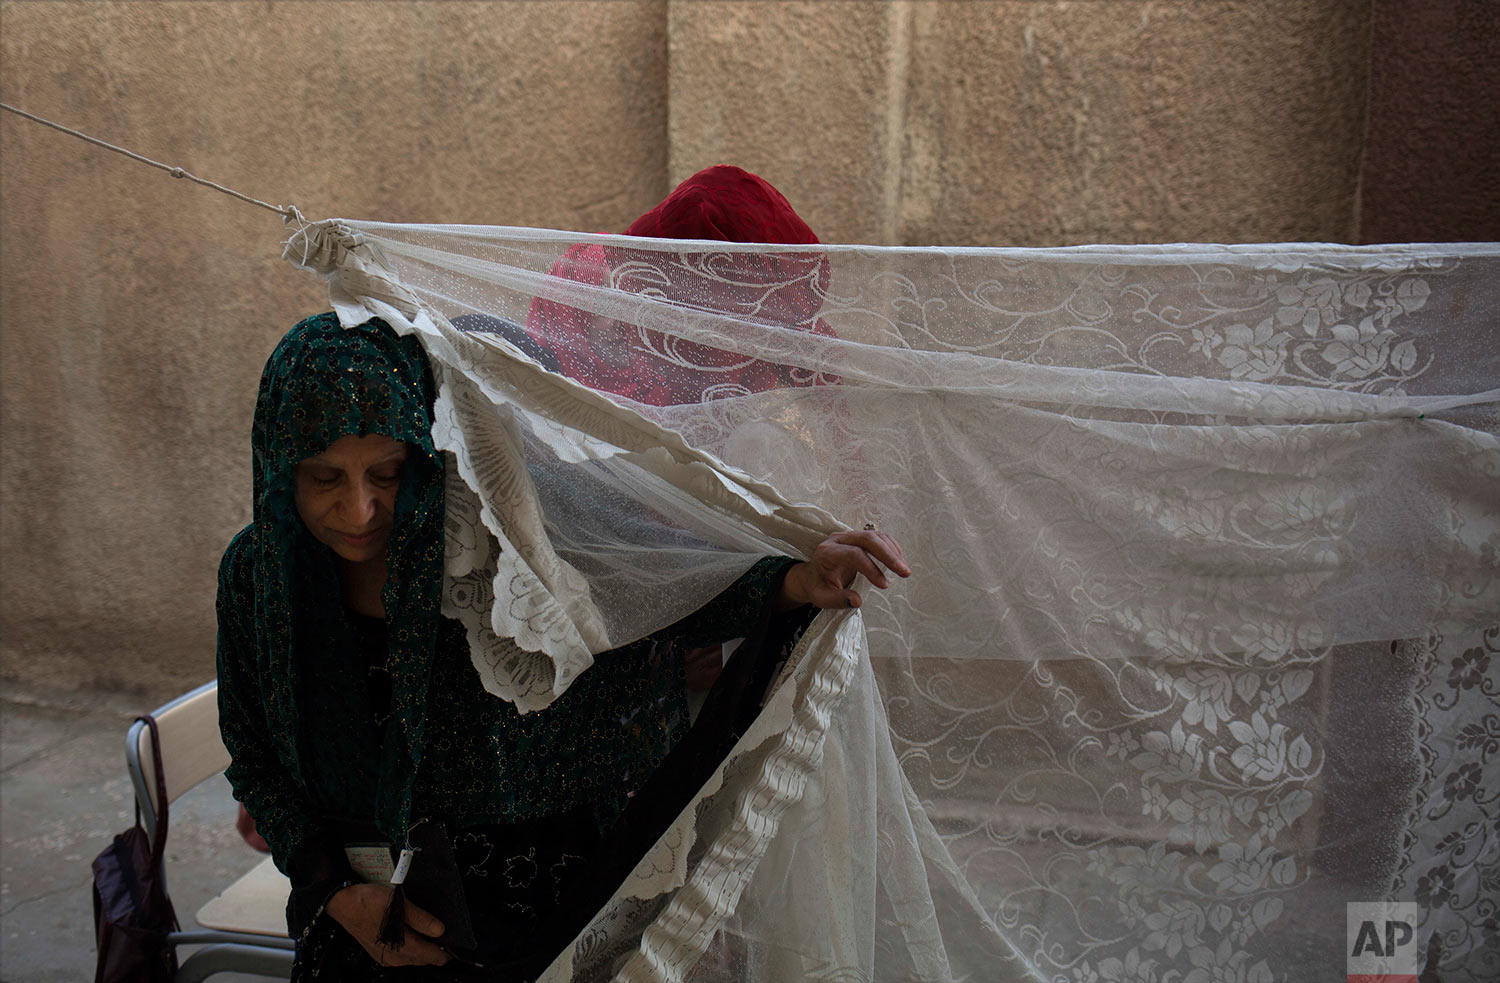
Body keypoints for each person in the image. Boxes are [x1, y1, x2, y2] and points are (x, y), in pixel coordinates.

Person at [217, 230, 908, 977]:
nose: (359, 510)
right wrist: (335, 890)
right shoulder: (257, 579)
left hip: (537, 911)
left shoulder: (482, 551)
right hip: (353, 919)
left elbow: (641, 581)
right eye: (325, 479)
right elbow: (256, 759)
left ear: (422, 450)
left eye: (385, 472)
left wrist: (791, 579)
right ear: (279, 466)